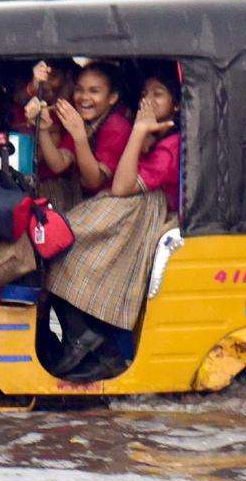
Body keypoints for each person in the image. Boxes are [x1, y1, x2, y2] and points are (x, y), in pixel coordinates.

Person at [43, 63, 182, 383]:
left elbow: (120, 187)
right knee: (58, 245)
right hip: (126, 209)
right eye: (145, 94)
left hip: (139, 213)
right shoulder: (153, 133)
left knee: (64, 246)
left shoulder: (163, 144)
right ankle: (96, 352)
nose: (148, 101)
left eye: (158, 95)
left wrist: (138, 130)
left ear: (175, 105)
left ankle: (91, 344)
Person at [33, 61, 129, 211]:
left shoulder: (117, 127)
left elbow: (94, 181)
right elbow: (59, 165)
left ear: (112, 98)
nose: (84, 97)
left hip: (114, 201)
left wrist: (79, 135)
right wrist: (44, 129)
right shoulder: (83, 122)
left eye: (94, 91)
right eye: (79, 90)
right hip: (88, 198)